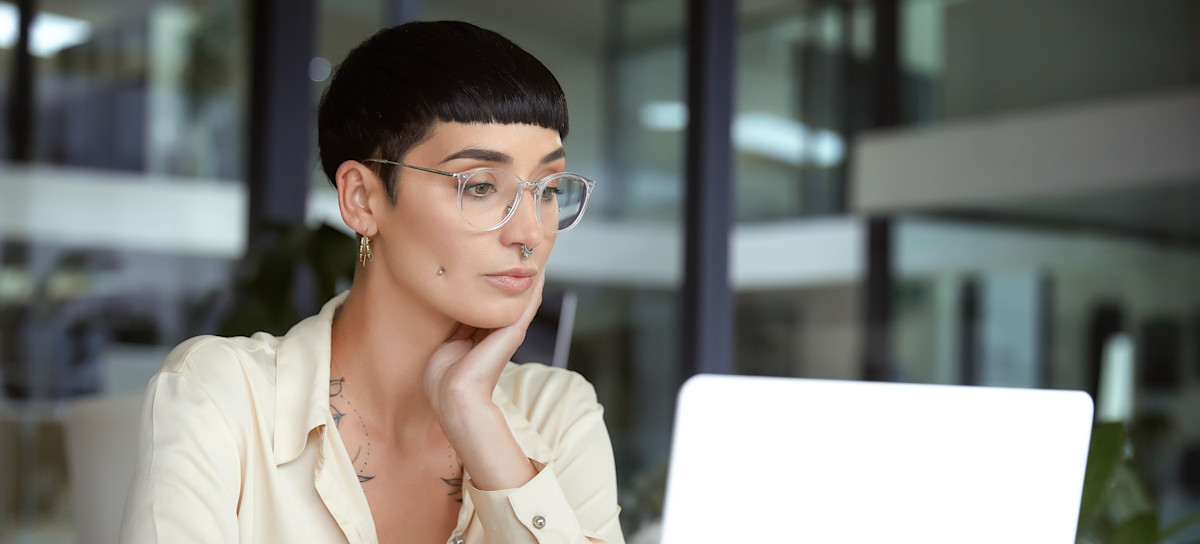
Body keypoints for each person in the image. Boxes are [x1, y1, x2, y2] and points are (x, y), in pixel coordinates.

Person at [120, 21, 624, 544]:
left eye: (547, 189)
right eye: (479, 186)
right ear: (362, 198)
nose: (530, 232)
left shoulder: (558, 414)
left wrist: (474, 413)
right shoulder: (220, 396)